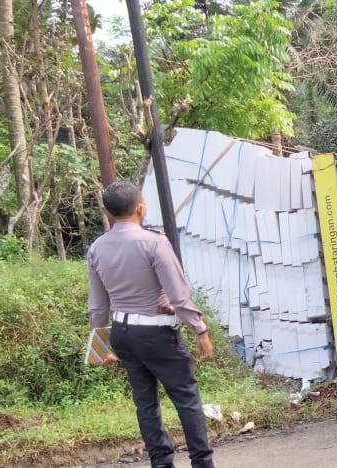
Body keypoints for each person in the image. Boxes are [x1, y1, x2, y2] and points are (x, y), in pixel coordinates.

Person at [87, 181, 215, 468]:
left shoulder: (96, 248)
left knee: (145, 403)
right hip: (157, 333)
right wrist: (200, 330)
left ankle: (161, 463)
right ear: (141, 208)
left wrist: (100, 347)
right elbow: (180, 296)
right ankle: (202, 463)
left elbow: (97, 305)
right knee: (186, 397)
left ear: (108, 213)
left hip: (123, 334)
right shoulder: (154, 243)